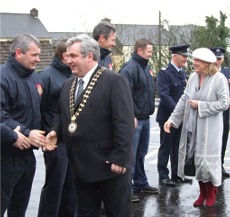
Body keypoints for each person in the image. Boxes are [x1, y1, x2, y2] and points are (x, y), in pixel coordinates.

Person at [44, 34, 135, 217]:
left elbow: (124, 122)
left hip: (110, 167)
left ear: (90, 56)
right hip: (81, 167)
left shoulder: (114, 81)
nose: (68, 60)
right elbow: (61, 114)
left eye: (73, 56)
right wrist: (55, 131)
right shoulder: (68, 84)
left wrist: (120, 156)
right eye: (67, 56)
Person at [164, 47, 229, 207]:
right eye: (194, 60)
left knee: (209, 161)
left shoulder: (219, 79)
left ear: (207, 63)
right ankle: (202, 192)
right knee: (196, 161)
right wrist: (172, 119)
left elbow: (224, 103)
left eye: (197, 61)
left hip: (211, 127)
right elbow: (184, 99)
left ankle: (212, 191)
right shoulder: (193, 77)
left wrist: (200, 105)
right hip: (193, 127)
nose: (193, 63)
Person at [0, 33, 47, 217]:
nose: (38, 59)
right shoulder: (3, 78)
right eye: (34, 55)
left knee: (19, 208)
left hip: (27, 156)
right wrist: (26, 133)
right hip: (5, 157)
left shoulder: (34, 77)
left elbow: (39, 111)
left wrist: (48, 133)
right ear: (18, 53)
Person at [37, 39, 77, 217]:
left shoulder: (73, 75)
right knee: (55, 187)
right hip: (55, 141)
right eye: (71, 55)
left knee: (71, 187)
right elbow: (40, 108)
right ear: (64, 56)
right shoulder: (46, 76)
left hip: (72, 140)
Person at [119, 38, 158, 202]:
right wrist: (131, 116)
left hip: (145, 118)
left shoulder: (146, 67)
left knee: (141, 153)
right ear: (140, 51)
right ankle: (126, 189)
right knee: (131, 156)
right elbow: (124, 96)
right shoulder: (129, 69)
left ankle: (140, 183)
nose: (151, 53)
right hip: (134, 120)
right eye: (149, 51)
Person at [156, 44, 193, 187]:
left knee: (177, 147)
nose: (186, 59)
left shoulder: (182, 72)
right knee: (166, 146)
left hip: (181, 117)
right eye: (184, 56)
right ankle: (163, 176)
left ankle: (176, 174)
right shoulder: (165, 73)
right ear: (175, 56)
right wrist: (177, 113)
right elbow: (164, 95)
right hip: (168, 117)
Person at [210, 46, 230, 178]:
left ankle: (220, 165)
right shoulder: (208, 73)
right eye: (216, 59)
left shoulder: (227, 73)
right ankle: (211, 167)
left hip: (225, 113)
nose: (218, 61)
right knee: (211, 141)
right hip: (211, 112)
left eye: (220, 58)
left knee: (223, 140)